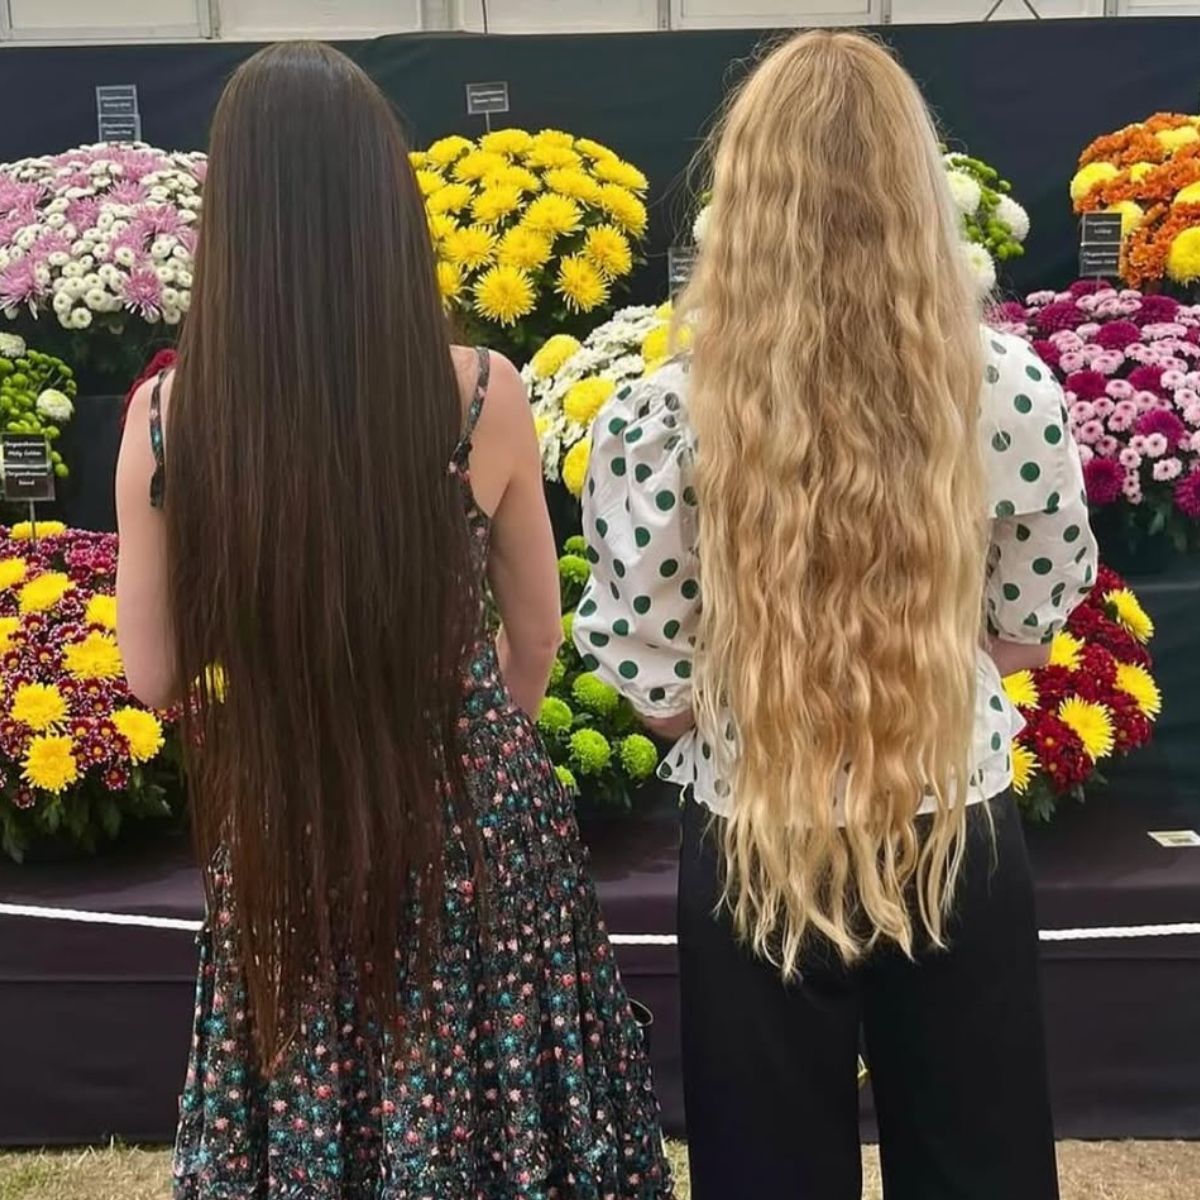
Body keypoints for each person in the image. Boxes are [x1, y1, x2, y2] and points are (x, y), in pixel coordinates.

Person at [115, 42, 672, 1200]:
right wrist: (466, 743)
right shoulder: (482, 394)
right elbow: (534, 640)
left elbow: (152, 672)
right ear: (387, 203)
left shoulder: (171, 420)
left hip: (284, 832)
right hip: (476, 833)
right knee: (503, 1127)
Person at [575, 30, 1095, 1200]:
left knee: (766, 1172)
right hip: (950, 818)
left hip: (753, 834)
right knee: (981, 1167)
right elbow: (1026, 626)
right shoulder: (1004, 391)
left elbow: (651, 682)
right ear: (920, 191)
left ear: (742, 200)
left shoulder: (662, 418)